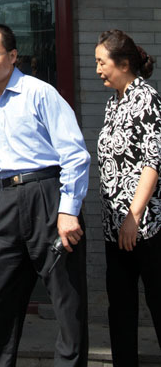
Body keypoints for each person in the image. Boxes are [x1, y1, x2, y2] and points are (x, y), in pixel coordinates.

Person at [0, 23, 90, 367]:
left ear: (12, 56)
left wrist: (68, 210)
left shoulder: (40, 93)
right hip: (6, 205)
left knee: (67, 301)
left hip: (48, 198)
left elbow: (74, 154)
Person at [95, 28, 161, 367]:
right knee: (119, 307)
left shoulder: (145, 98)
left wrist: (133, 217)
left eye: (101, 62)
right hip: (114, 227)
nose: (97, 70)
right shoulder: (113, 103)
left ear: (122, 63)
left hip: (145, 227)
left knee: (157, 301)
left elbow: (153, 161)